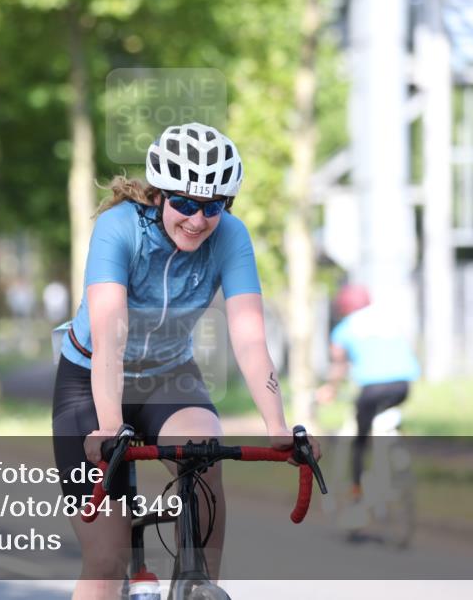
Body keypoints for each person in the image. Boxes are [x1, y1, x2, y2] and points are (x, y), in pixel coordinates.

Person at [52, 123, 319, 600]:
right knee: (107, 559)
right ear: (159, 195)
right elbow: (111, 334)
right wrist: (110, 426)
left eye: (213, 206)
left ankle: (199, 586)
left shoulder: (231, 237)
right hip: (90, 380)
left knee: (204, 448)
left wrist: (278, 426)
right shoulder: (118, 228)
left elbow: (250, 337)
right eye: (185, 203)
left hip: (167, 378)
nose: (198, 220)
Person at [317, 284, 419, 501]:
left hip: (372, 388)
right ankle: (396, 448)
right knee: (385, 418)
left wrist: (330, 389)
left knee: (359, 440)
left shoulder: (345, 328)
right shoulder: (387, 321)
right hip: (402, 385)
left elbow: (338, 365)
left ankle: (356, 490)